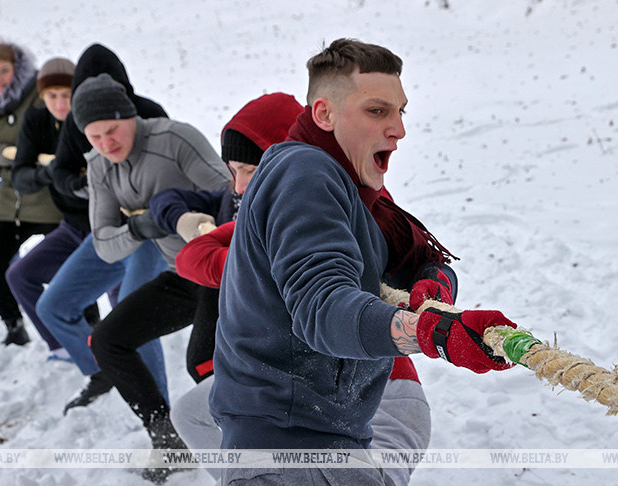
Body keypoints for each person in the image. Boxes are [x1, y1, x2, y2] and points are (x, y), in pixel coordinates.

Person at [209, 38, 515, 484]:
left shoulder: (357, 195)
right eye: (377, 111)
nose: (399, 129)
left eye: (400, 111)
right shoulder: (304, 172)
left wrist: (434, 290)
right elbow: (323, 308)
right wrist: (432, 332)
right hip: (289, 456)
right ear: (324, 114)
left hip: (325, 446)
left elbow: (425, 260)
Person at [155, 93, 432, 485]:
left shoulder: (354, 211)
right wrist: (253, 265)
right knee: (190, 413)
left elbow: (419, 272)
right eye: (232, 170)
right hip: (290, 397)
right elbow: (193, 257)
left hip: (382, 397)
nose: (238, 186)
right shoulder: (274, 217)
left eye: (250, 168)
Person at [68, 73, 231, 482]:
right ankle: (167, 438)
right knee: (108, 340)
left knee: (203, 366)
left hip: (223, 273)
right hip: (182, 276)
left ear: (130, 116)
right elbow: (105, 244)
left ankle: (247, 451)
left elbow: (235, 196)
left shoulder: (175, 140)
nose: (106, 143)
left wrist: (179, 212)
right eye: (94, 136)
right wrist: (140, 229)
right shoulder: (100, 167)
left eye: (112, 130)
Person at [35, 44, 169, 414]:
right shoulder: (79, 120)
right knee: (53, 306)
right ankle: (104, 370)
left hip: (151, 231)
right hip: (107, 229)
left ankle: (162, 424)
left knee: (132, 318)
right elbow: (61, 172)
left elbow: (177, 173)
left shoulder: (149, 113)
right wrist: (83, 187)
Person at [0, 43, 62, 346]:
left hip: (46, 195)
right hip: (8, 202)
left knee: (62, 260)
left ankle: (87, 319)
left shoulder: (37, 97)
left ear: (16, 69)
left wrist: (27, 157)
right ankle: (13, 324)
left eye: (4, 71)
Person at [3, 56, 94, 360]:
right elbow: (20, 177)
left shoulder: (90, 118)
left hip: (103, 225)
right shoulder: (36, 121)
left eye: (66, 94)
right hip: (70, 225)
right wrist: (49, 172)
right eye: (51, 96)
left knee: (116, 293)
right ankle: (67, 347)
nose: (59, 102)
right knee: (19, 276)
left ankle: (119, 353)